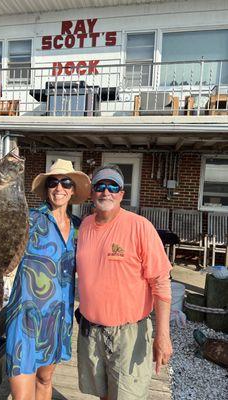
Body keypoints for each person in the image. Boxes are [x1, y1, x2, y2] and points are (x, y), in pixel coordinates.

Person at [76, 165, 173, 400]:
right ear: (92, 193)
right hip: (91, 331)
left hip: (129, 334)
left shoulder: (140, 227)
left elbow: (160, 283)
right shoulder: (85, 225)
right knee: (103, 394)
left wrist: (162, 335)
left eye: (113, 187)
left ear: (121, 193)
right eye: (100, 186)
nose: (105, 192)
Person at [6, 159, 91, 400]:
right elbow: (2, 222)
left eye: (66, 183)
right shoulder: (28, 219)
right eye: (53, 182)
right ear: (46, 189)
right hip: (26, 318)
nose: (59, 188)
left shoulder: (79, 228)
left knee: (45, 380)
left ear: (73, 190)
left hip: (57, 319)